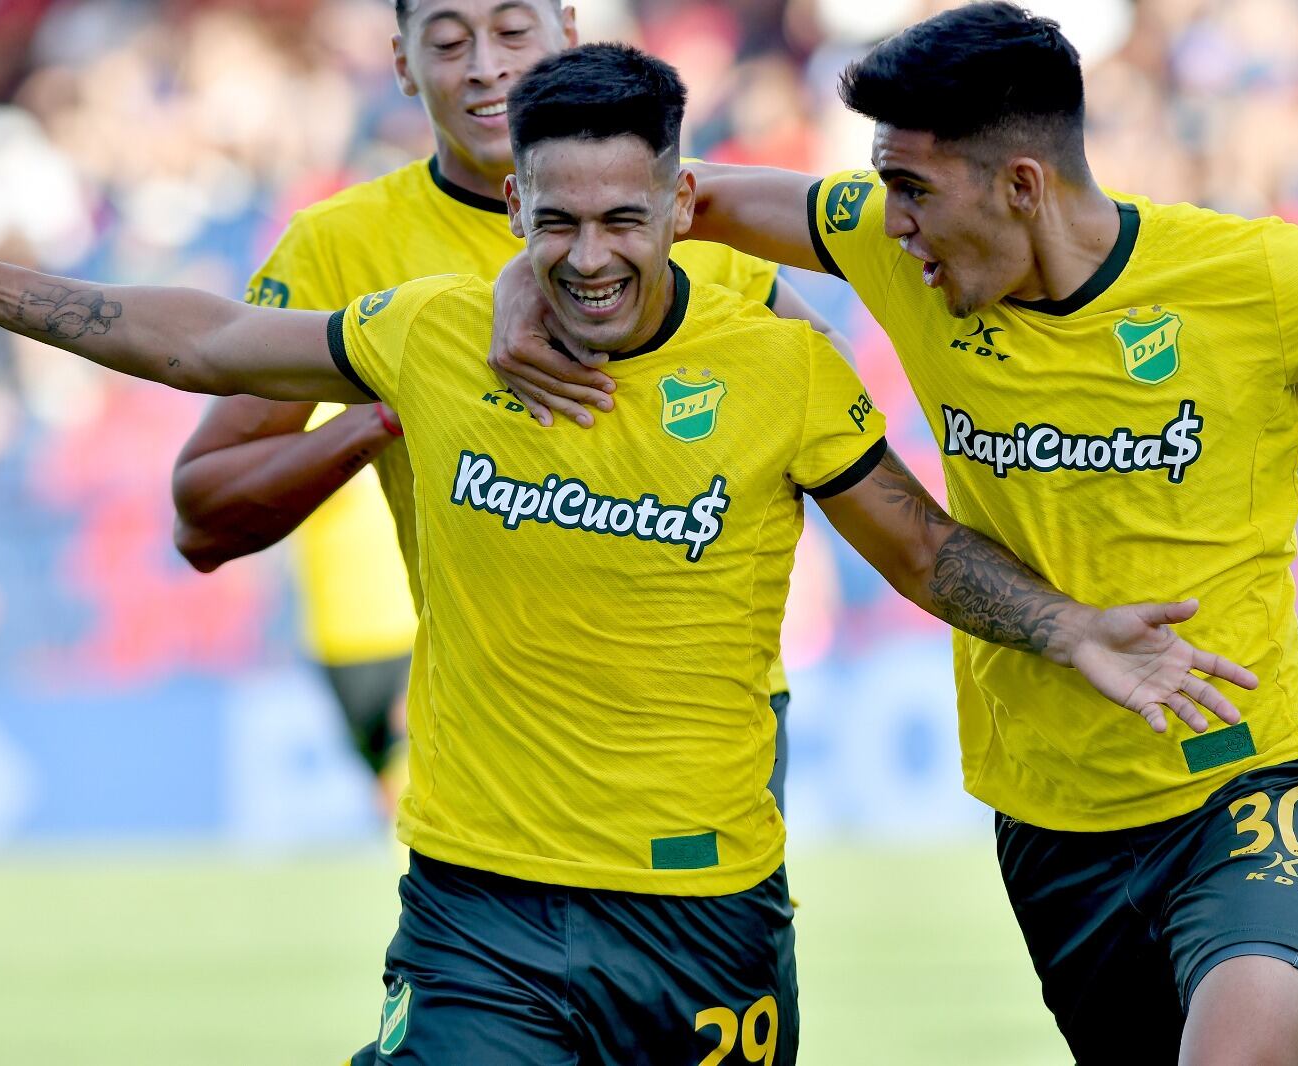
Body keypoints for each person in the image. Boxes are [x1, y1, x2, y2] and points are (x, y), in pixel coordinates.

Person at [0, 43, 1259, 1066]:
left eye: (624, 219)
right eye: (557, 221)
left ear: (681, 205)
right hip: (478, 906)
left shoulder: (778, 369)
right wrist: (1, 292)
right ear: (513, 209)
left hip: (704, 918)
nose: (589, 256)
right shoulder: (434, 328)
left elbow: (923, 549)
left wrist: (1069, 627)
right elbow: (207, 341)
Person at [486, 7, 1298, 1063]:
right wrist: (521, 280)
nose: (892, 222)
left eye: (912, 189)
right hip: (1052, 820)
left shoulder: (1259, 278)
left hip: (1252, 776)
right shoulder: (891, 245)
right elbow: (668, 199)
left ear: (1022, 185)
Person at [171, 0, 842, 814]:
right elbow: (204, 518)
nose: (486, 66)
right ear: (402, 63)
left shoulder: (685, 206)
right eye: (449, 41)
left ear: (568, 33)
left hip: (704, 730)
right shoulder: (339, 244)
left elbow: (838, 411)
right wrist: (396, 403)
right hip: (493, 750)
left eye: (513, 31)